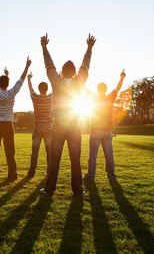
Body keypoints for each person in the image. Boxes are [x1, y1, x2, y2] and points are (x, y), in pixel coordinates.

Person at [39, 33, 96, 197]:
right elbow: (85, 66)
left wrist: (44, 47)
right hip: (74, 124)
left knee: (54, 159)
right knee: (75, 159)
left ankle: (49, 190)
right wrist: (89, 48)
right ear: (74, 72)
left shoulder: (57, 81)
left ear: (62, 72)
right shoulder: (79, 82)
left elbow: (49, 66)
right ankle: (78, 190)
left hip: (58, 125)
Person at [0, 53, 31, 180]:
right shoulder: (12, 92)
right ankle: (12, 175)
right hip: (8, 125)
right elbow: (21, 80)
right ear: (8, 84)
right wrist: (27, 66)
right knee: (10, 152)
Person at [83, 69, 126, 182]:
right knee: (109, 155)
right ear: (106, 89)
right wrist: (122, 77)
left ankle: (90, 177)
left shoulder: (93, 97)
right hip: (107, 131)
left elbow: (83, 89)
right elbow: (118, 88)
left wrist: (81, 77)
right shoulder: (110, 97)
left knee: (93, 155)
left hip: (96, 130)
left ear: (97, 90)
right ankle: (111, 176)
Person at [26, 72, 53, 177]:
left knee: (35, 151)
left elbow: (30, 88)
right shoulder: (51, 98)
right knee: (49, 151)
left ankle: (31, 172)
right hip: (48, 127)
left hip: (37, 126)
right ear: (47, 89)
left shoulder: (35, 98)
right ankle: (49, 172)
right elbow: (57, 88)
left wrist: (29, 79)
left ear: (39, 89)